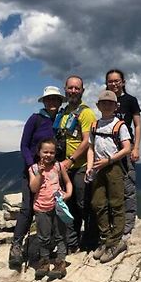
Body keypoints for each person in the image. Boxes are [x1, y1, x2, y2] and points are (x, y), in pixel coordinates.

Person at [9, 86, 66, 271]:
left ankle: (51, 247)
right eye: (49, 99)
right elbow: (24, 145)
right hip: (33, 170)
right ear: (44, 101)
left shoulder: (62, 120)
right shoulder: (35, 119)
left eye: (55, 99)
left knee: (52, 208)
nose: (52, 102)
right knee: (27, 208)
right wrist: (30, 166)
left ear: (59, 102)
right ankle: (16, 246)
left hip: (52, 171)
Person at [86, 90, 131, 263]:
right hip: (98, 166)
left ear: (115, 106)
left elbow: (127, 148)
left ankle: (115, 242)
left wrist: (109, 160)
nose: (106, 105)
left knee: (116, 204)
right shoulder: (94, 125)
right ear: (98, 106)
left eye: (110, 103)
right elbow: (90, 147)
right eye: (103, 103)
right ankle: (105, 239)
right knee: (97, 204)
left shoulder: (119, 125)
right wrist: (90, 167)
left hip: (113, 167)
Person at [53, 75, 97, 252]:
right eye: (70, 88)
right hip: (64, 167)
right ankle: (72, 242)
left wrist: (70, 160)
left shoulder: (86, 113)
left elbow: (87, 140)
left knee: (83, 204)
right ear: (65, 89)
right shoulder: (63, 113)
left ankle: (91, 240)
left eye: (77, 88)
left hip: (79, 166)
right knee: (68, 205)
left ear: (82, 91)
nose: (73, 91)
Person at [29, 138, 73, 280]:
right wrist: (39, 174)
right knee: (43, 237)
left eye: (51, 152)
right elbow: (33, 188)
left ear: (55, 154)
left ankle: (60, 263)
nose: (48, 155)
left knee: (60, 235)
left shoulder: (59, 166)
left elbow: (67, 182)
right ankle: (44, 262)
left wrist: (68, 193)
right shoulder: (34, 169)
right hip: (41, 207)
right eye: (45, 152)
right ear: (39, 152)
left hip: (57, 206)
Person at [105, 69, 141, 237]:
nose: (114, 84)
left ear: (123, 82)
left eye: (116, 81)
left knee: (128, 185)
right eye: (110, 81)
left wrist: (136, 147)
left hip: (126, 148)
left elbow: (137, 125)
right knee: (111, 186)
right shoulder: (106, 100)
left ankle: (128, 223)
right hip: (109, 148)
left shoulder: (130, 100)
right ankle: (116, 220)